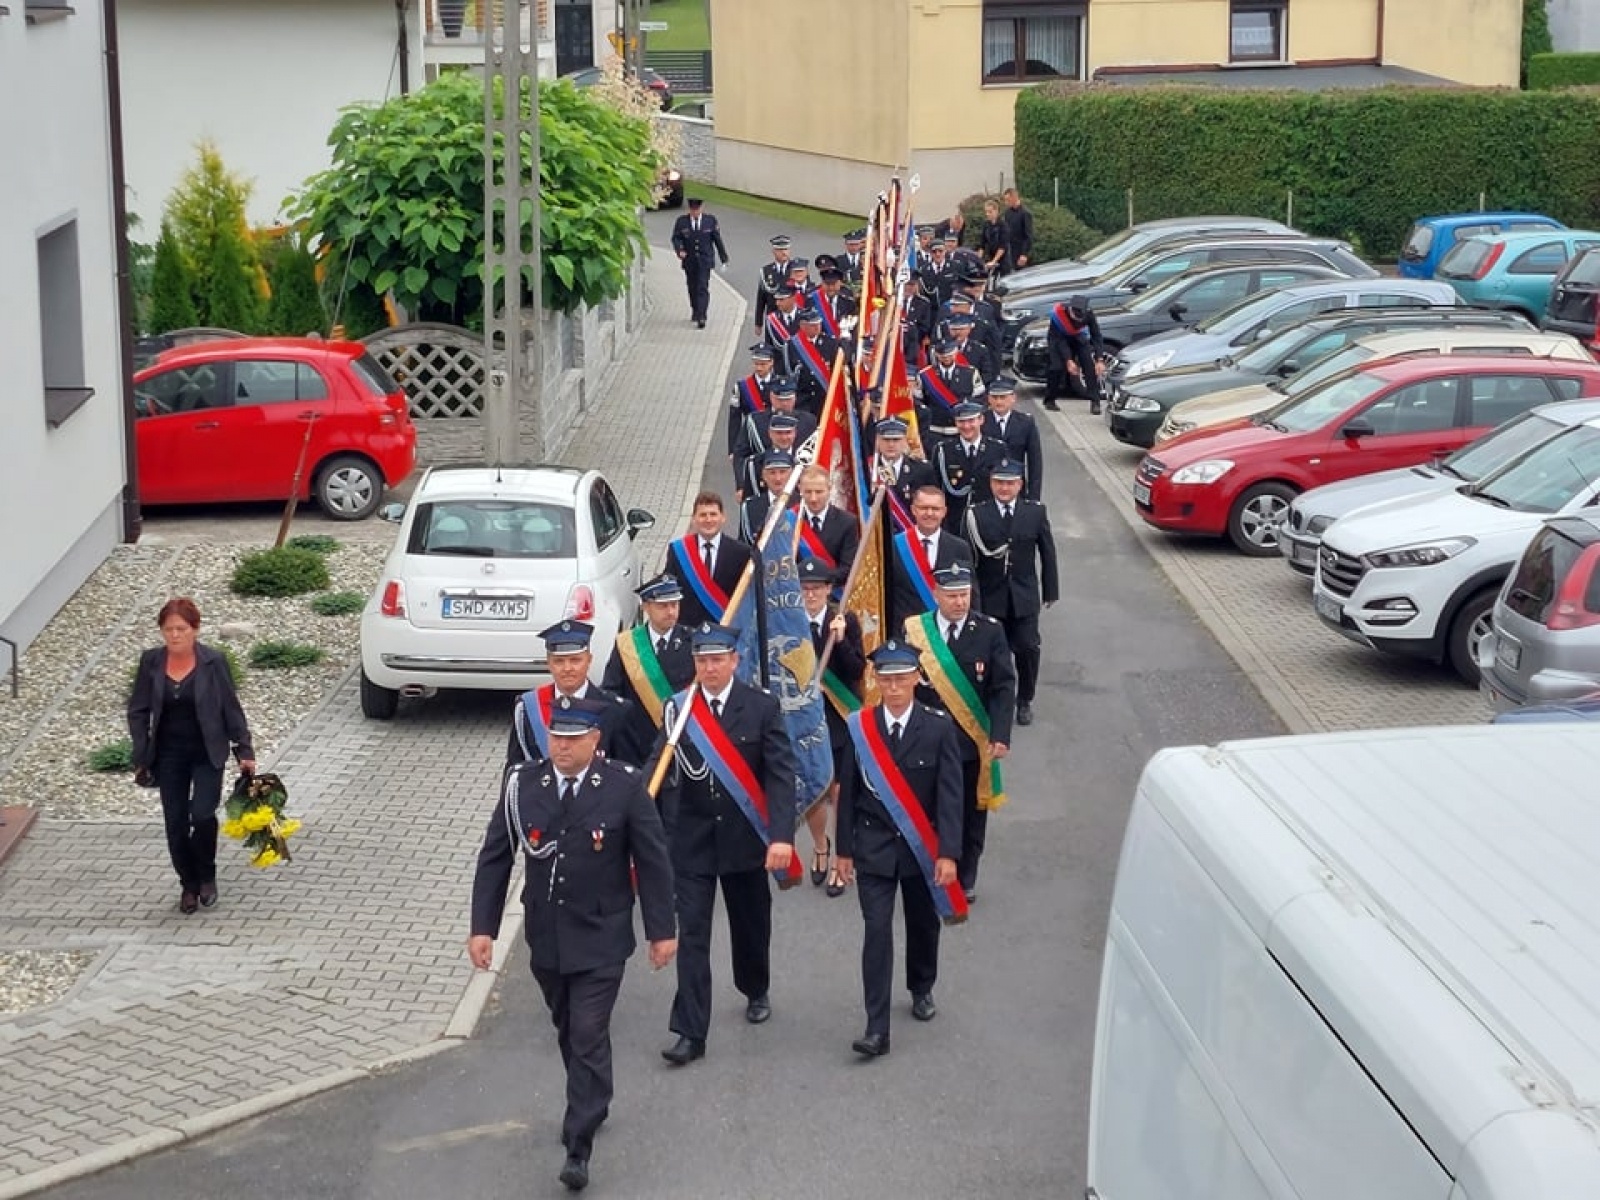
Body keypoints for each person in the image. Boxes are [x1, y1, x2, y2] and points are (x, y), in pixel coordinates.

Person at [468, 697, 677, 1193]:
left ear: (594, 741)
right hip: (548, 938)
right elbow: (496, 856)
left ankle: (578, 1145)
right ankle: (594, 1093)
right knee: (569, 1029)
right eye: (556, 738)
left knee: (587, 1031)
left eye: (572, 739)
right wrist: (484, 928)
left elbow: (652, 862)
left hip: (602, 936)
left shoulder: (624, 787)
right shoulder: (524, 786)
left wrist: (661, 931)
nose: (560, 747)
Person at [657, 623, 797, 1065]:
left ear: (735, 661)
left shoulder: (761, 707)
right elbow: (658, 768)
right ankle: (690, 1031)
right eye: (702, 661)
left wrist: (781, 836)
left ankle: (756, 987)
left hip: (745, 839)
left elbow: (779, 774)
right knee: (693, 935)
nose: (710, 668)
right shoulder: (678, 710)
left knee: (750, 925)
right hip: (692, 842)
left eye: (718, 660)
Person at [834, 640, 964, 1057]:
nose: (893, 688)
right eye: (885, 679)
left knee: (923, 925)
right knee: (876, 932)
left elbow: (949, 796)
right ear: (875, 681)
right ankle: (876, 1027)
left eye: (901, 679)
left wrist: (947, 853)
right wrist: (844, 851)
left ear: (916, 679)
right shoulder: (861, 727)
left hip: (919, 848)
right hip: (873, 847)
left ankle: (922, 985)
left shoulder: (939, 727)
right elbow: (848, 790)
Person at [127, 597, 255, 914]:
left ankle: (207, 875)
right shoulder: (151, 662)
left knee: (201, 814)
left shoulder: (213, 662)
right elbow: (138, 709)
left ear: (195, 630)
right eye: (168, 629)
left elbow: (230, 708)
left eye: (181, 629)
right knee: (175, 823)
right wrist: (142, 751)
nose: (174, 635)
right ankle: (188, 883)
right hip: (169, 756)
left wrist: (244, 749)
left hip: (206, 752)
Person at [905, 563, 1014, 903]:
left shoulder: (989, 631)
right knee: (928, 808)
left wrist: (1000, 734)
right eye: (951, 596)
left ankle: (965, 876)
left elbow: (1003, 686)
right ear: (936, 595)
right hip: (927, 742)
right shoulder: (915, 632)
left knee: (970, 813)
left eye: (964, 595)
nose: (959, 602)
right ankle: (930, 866)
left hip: (970, 743)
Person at [965, 458, 1059, 727]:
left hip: (1024, 595)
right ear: (991, 484)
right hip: (990, 595)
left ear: (1020, 485)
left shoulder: (1035, 512)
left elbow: (1047, 552)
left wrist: (1050, 590)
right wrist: (971, 596)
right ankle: (995, 699)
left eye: (1010, 483)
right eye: (999, 483)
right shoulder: (977, 514)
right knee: (993, 652)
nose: (1004, 488)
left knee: (1028, 648)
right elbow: (968, 558)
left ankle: (1024, 699)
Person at [797, 556, 864, 897]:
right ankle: (820, 845)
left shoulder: (844, 620)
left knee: (839, 791)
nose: (811, 594)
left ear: (828, 589)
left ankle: (841, 857)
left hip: (838, 717)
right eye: (805, 588)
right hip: (806, 718)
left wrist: (841, 642)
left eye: (817, 588)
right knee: (815, 791)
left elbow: (856, 671)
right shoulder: (791, 624)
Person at [601, 574, 696, 769]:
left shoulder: (693, 643)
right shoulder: (627, 644)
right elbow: (611, 692)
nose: (671, 612)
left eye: (675, 605)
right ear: (645, 606)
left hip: (681, 744)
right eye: (663, 606)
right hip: (636, 745)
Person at [508, 621, 634, 766]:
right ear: (548, 663)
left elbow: (628, 774)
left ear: (589, 660)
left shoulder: (616, 710)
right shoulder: (528, 708)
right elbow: (515, 769)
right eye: (559, 661)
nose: (567, 668)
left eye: (575, 660)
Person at [663, 492, 761, 629]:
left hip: (726, 631)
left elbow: (747, 596)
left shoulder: (741, 552)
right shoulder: (678, 550)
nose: (708, 520)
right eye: (703, 515)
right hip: (688, 631)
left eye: (713, 514)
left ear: (723, 517)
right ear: (694, 519)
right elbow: (669, 591)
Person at [889, 485, 975, 634]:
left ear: (944, 512)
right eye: (923, 508)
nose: (929, 513)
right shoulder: (894, 545)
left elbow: (970, 591)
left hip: (947, 633)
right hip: (906, 631)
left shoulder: (959, 547)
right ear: (913, 510)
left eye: (935, 509)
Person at [933, 401, 1007, 532]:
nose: (966, 426)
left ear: (981, 420)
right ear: (956, 423)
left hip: (988, 521)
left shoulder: (997, 449)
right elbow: (936, 488)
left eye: (971, 421)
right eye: (961, 421)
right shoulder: (943, 450)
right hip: (955, 522)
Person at [670, 197, 728, 329]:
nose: (695, 212)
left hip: (705, 260)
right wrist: (680, 250)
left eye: (697, 209)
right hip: (690, 260)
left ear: (702, 209)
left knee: (702, 286)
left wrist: (723, 258)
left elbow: (717, 240)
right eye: (692, 210)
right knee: (692, 287)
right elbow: (676, 238)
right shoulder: (682, 222)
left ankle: (702, 315)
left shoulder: (710, 221)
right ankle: (695, 310)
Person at [794, 464, 860, 578]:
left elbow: (849, 569)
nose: (813, 498)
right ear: (800, 489)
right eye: (808, 492)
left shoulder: (847, 522)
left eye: (819, 492)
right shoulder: (789, 520)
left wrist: (817, 582)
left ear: (829, 489)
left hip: (833, 591)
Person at [1044, 294, 1106, 415]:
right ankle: (1050, 399)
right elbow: (1060, 342)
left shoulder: (1088, 314)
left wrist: (1099, 359)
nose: (1079, 320)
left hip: (1078, 337)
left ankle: (1095, 401)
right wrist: (1069, 360)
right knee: (1056, 367)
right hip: (1058, 339)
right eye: (1076, 317)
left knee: (1089, 366)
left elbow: (1096, 336)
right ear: (1071, 310)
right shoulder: (1058, 315)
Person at [983, 377, 1043, 500]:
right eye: (995, 398)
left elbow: (1035, 462)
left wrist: (1034, 497)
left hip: (1015, 487)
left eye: (1003, 397)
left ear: (1013, 398)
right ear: (989, 399)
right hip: (987, 489)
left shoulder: (1026, 423)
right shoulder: (981, 422)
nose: (999, 402)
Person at [736, 406, 811, 501]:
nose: (784, 438)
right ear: (770, 433)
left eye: (788, 433)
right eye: (779, 433)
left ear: (795, 433)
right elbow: (749, 502)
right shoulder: (754, 464)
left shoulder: (807, 461)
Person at [868, 417, 938, 512]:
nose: (891, 445)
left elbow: (933, 503)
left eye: (896, 440)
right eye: (886, 440)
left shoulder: (922, 470)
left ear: (905, 441)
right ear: (878, 441)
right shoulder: (868, 469)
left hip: (910, 525)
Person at [726, 343, 779, 464]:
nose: (759, 368)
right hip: (751, 437)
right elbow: (735, 419)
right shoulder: (742, 386)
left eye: (763, 364)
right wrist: (733, 448)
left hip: (775, 437)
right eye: (756, 364)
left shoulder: (779, 384)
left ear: (771, 363)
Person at [738, 450, 796, 544]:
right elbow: (744, 543)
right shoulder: (750, 507)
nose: (778, 478)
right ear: (764, 476)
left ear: (791, 475)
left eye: (783, 472)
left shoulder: (801, 504)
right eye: (772, 473)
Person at [754, 234, 793, 331]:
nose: (784, 253)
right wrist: (758, 323)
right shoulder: (766, 271)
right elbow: (761, 299)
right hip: (773, 319)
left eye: (786, 249)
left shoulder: (797, 270)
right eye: (780, 250)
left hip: (792, 320)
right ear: (774, 252)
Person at [1001, 187, 1034, 273]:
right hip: (1010, 251)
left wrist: (1024, 254)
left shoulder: (1025, 213)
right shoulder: (1007, 213)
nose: (1006, 203)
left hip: (1021, 252)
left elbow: (1028, 236)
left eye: (1008, 200)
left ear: (1014, 197)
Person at [979, 198, 1007, 278]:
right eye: (986, 212)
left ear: (996, 211)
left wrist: (994, 261)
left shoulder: (1003, 225)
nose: (987, 214)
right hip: (991, 257)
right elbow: (982, 244)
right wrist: (978, 260)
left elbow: (1002, 247)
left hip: (1003, 260)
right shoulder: (986, 225)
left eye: (990, 212)